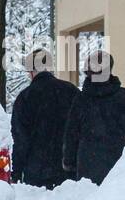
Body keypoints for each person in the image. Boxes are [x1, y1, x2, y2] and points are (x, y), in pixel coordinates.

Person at [62, 50, 125, 184]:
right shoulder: (123, 97)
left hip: (87, 164)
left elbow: (72, 133)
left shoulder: (81, 100)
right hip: (118, 162)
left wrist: (69, 162)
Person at [10, 48, 79, 188]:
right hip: (68, 171)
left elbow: (20, 139)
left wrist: (16, 172)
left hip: (37, 172)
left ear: (30, 72)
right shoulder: (71, 91)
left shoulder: (25, 97)